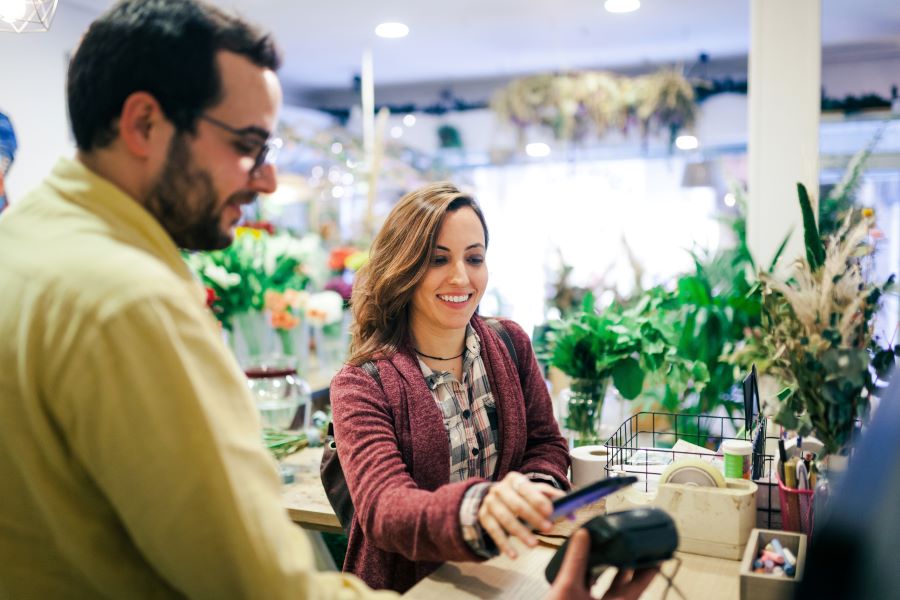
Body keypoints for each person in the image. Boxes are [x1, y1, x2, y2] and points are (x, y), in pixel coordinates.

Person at [0, 1, 397, 598]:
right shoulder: (130, 300)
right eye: (248, 145)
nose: (265, 180)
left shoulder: (24, 244)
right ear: (144, 125)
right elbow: (257, 584)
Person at [329, 182, 571, 592]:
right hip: (407, 588)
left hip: (508, 575)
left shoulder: (511, 344)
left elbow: (545, 443)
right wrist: (480, 509)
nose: (461, 277)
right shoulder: (360, 384)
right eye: (438, 259)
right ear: (403, 267)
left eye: (474, 258)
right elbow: (383, 508)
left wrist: (531, 495)